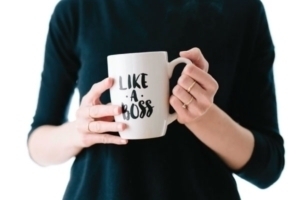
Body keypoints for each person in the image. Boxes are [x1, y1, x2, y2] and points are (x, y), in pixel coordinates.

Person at [27, 0, 285, 199]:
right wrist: (80, 131)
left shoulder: (241, 9)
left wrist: (203, 116)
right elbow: (37, 143)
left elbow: (268, 166)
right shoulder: (77, 9)